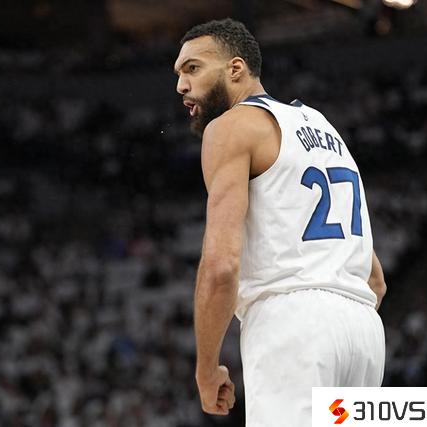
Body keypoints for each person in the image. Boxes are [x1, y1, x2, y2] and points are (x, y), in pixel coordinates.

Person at [173, 18, 387, 426]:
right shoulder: (324, 129)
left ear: (236, 69)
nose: (181, 85)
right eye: (179, 74)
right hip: (364, 330)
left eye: (193, 68)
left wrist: (206, 369)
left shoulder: (230, 127)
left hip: (293, 323)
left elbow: (221, 266)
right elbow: (375, 280)